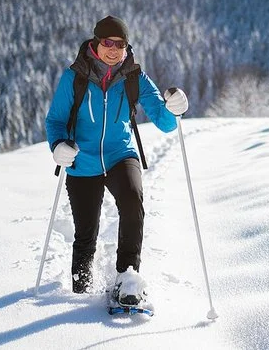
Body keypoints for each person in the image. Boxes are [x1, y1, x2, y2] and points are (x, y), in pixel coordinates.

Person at [45, 15, 189, 303]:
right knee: (86, 233)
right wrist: (58, 145)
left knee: (133, 200)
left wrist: (175, 110)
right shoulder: (75, 77)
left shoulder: (134, 76)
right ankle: (81, 290)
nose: (114, 49)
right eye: (108, 42)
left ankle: (128, 275)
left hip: (120, 153)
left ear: (126, 46)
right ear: (96, 43)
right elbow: (55, 121)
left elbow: (164, 121)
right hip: (81, 160)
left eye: (120, 43)